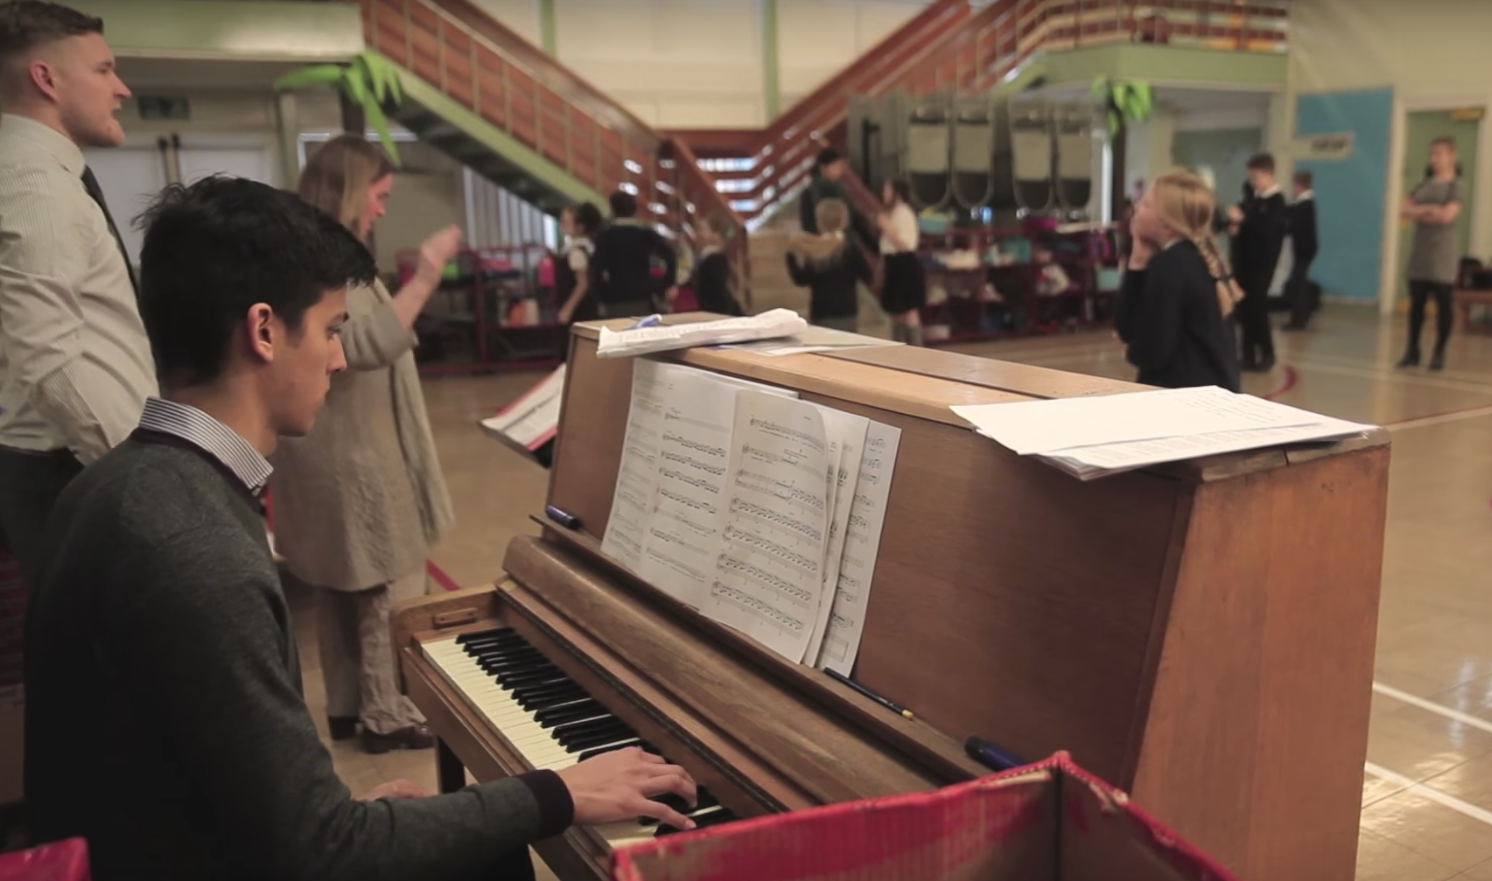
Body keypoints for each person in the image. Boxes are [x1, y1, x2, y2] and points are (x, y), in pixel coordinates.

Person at [24, 175, 699, 881]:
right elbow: (319, 851)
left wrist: (336, 812)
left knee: (475, 838)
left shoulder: (117, 484)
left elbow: (202, 777)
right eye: (330, 329)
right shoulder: (192, 547)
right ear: (262, 330)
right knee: (496, 843)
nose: (340, 358)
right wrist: (562, 789)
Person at [269, 134, 460, 755]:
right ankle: (388, 711)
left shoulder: (302, 253)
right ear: (351, 191)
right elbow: (363, 345)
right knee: (388, 578)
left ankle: (349, 705)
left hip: (324, 449)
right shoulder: (326, 262)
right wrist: (426, 276)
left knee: (338, 583)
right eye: (378, 196)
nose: (381, 209)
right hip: (354, 454)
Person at [0, 0, 155, 584]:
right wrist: (147, 475)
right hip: (72, 468)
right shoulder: (36, 186)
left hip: (66, 464)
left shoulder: (35, 175)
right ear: (46, 78)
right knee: (115, 663)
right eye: (103, 70)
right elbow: (50, 362)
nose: (122, 89)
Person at [1115, 168, 1242, 393]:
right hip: (1213, 389)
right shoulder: (1198, 257)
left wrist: (1131, 351)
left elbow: (1154, 349)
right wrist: (1137, 262)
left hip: (1185, 396)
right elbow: (1127, 327)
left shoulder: (1170, 264)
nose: (1136, 209)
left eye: (1145, 205)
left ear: (1166, 225)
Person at [1398, 136, 1465, 371]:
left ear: (1450, 156)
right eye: (1432, 154)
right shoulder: (1422, 184)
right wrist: (1429, 209)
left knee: (1443, 305)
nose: (1435, 159)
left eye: (1439, 153)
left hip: (1442, 253)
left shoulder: (1455, 185)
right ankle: (1412, 350)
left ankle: (1438, 352)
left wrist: (1420, 211)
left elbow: (1447, 216)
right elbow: (1403, 208)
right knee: (1416, 305)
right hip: (1420, 252)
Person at [1225, 153, 1287, 371]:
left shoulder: (1277, 202)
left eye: (1256, 177)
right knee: (1244, 310)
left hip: (1261, 264)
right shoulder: (1254, 200)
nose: (1254, 183)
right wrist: (1235, 228)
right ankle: (1248, 354)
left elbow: (1267, 231)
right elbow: (1247, 227)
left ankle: (1267, 353)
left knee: (1257, 309)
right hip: (1245, 263)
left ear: (1268, 174)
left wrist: (1244, 220)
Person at [786, 198, 873, 333]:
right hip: (847, 311)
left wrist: (790, 257)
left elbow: (800, 279)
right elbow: (868, 277)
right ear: (843, 220)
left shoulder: (815, 250)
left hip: (821, 311)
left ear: (820, 221)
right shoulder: (850, 248)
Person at [589, 189, 677, 318]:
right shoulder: (645, 234)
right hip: (643, 296)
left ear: (612, 209)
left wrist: (601, 294)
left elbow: (596, 270)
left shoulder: (605, 236)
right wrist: (663, 286)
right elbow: (670, 255)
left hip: (615, 296)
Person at [876, 178, 926, 345]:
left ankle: (915, 350)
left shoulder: (904, 213)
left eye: (887, 191)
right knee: (896, 311)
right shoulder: (894, 213)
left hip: (904, 264)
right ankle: (899, 347)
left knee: (909, 312)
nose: (884, 194)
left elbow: (905, 244)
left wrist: (886, 227)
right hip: (894, 264)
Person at [799, 147, 877, 250]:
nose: (840, 170)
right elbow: (849, 215)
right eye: (836, 166)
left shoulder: (812, 189)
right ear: (824, 168)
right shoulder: (830, 187)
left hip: (821, 244)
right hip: (835, 244)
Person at [555, 200, 603, 325]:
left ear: (580, 227)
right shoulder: (585, 247)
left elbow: (582, 284)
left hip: (579, 312)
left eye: (566, 222)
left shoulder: (576, 251)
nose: (562, 225)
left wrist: (567, 309)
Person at [1283, 169, 1319, 331]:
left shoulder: (1305, 204)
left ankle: (1298, 320)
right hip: (1305, 249)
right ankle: (1300, 317)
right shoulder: (1304, 202)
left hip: (1304, 250)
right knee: (1298, 283)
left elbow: (1294, 226)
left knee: (1297, 285)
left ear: (1298, 184)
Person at [689, 212, 744, 316]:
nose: (698, 233)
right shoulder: (707, 257)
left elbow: (721, 291)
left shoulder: (715, 260)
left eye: (703, 229)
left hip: (717, 313)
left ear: (716, 235)